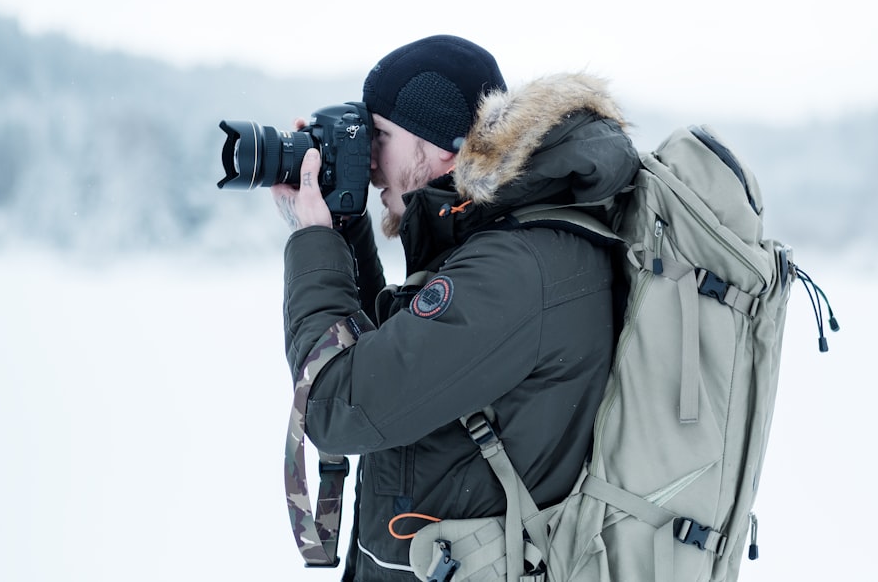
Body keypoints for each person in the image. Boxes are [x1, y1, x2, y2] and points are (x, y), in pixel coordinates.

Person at [271, 35, 640, 581]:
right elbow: (390, 363)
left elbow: (337, 407)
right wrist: (343, 225)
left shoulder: (515, 271)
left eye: (380, 137)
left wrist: (313, 243)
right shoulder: (509, 246)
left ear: (442, 147)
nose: (369, 164)